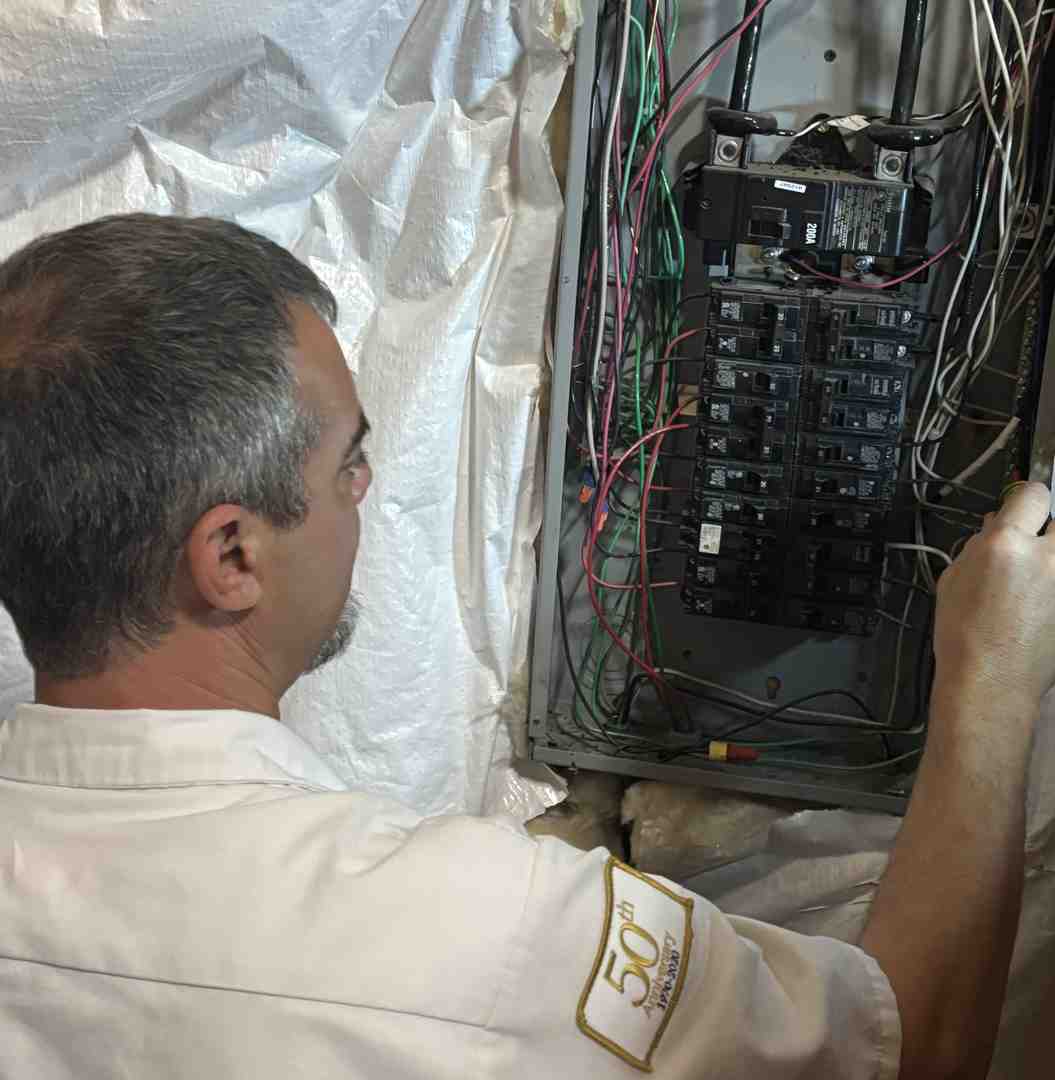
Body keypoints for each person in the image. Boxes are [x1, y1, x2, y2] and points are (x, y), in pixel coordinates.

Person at [0, 213, 1048, 1080]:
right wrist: (991, 675)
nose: (362, 495)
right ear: (230, 555)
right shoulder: (481, 934)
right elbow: (907, 1048)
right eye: (344, 470)